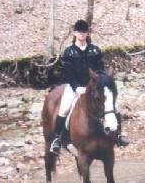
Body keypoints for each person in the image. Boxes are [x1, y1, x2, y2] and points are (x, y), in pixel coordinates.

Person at [49, 20, 129, 155]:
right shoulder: (69, 52)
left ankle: (118, 136)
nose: (82, 34)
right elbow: (68, 74)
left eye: (84, 32)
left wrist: (99, 84)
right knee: (64, 109)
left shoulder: (95, 50)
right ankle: (56, 139)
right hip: (75, 86)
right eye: (79, 32)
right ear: (74, 33)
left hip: (94, 87)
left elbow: (100, 71)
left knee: (115, 106)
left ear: (87, 33)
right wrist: (76, 88)